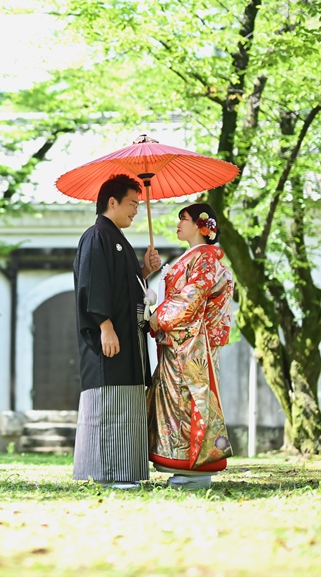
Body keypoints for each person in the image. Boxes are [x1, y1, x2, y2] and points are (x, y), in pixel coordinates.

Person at [72, 174, 161, 490]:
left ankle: (124, 470)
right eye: (132, 203)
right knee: (110, 401)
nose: (136, 211)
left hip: (128, 340)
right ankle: (109, 472)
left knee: (127, 400)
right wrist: (105, 326)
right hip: (111, 337)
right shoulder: (97, 236)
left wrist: (145, 271)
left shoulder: (117, 239)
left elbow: (124, 287)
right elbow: (94, 285)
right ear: (113, 202)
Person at [147, 203, 235, 490]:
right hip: (181, 343)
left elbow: (192, 298)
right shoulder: (195, 257)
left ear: (201, 225)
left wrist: (159, 316)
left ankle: (193, 465)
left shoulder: (207, 259)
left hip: (193, 345)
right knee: (177, 403)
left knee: (189, 403)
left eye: (182, 219)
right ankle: (179, 463)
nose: (178, 223)